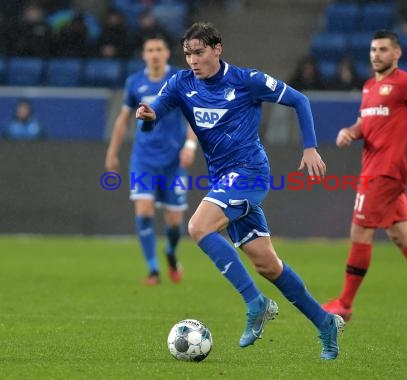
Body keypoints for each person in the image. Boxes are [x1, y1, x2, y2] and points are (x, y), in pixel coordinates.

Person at [136, 22, 345, 360]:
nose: (192, 60)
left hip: (250, 173)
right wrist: (145, 115)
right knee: (268, 265)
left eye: (199, 52)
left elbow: (299, 100)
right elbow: (153, 113)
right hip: (222, 180)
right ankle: (325, 323)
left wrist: (310, 148)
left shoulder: (247, 81)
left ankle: (255, 303)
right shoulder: (181, 83)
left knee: (198, 227)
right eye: (188, 54)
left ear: (217, 48)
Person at [322, 30, 407, 324]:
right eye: (373, 50)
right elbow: (364, 123)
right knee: (401, 234)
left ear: (397, 54)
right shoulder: (369, 86)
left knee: (359, 233)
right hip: (375, 168)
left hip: (386, 171)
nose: (376, 55)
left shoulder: (406, 83)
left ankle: (344, 303)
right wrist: (350, 132)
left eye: (383, 49)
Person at [105, 33, 197, 285]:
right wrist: (112, 153)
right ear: (144, 55)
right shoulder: (135, 82)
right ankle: (153, 270)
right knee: (144, 209)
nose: (154, 54)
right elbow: (123, 120)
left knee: (175, 222)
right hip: (143, 159)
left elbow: (193, 116)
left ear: (167, 53)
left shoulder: (179, 79)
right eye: (150, 50)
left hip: (173, 162)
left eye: (159, 49)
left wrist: (190, 145)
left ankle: (170, 252)